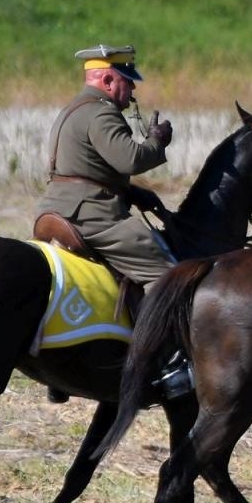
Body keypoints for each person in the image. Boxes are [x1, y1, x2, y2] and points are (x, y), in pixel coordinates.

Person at [35, 44, 188, 398]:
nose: (132, 88)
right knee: (167, 276)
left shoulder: (74, 109)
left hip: (56, 208)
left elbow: (87, 168)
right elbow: (130, 159)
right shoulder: (101, 114)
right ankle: (162, 364)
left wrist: (132, 193)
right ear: (106, 80)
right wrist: (157, 141)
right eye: (127, 80)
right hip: (92, 215)